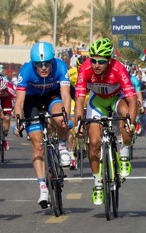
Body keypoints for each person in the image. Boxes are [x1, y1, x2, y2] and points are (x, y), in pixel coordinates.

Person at [73, 38, 137, 206]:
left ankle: (124, 154)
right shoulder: (85, 69)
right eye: (93, 60)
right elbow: (79, 100)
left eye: (101, 61)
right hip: (97, 102)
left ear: (109, 60)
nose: (96, 64)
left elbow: (132, 98)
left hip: (117, 98)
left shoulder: (118, 68)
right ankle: (97, 183)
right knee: (93, 143)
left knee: (126, 117)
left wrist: (132, 121)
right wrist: (77, 124)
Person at [13, 41, 72, 209]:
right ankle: (43, 188)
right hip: (32, 100)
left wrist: (66, 118)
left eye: (47, 64)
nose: (44, 68)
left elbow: (66, 96)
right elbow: (19, 101)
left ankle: (62, 145)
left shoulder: (60, 66)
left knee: (59, 117)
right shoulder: (26, 70)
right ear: (34, 64)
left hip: (52, 96)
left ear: (52, 61)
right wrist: (19, 122)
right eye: (39, 65)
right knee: (37, 144)